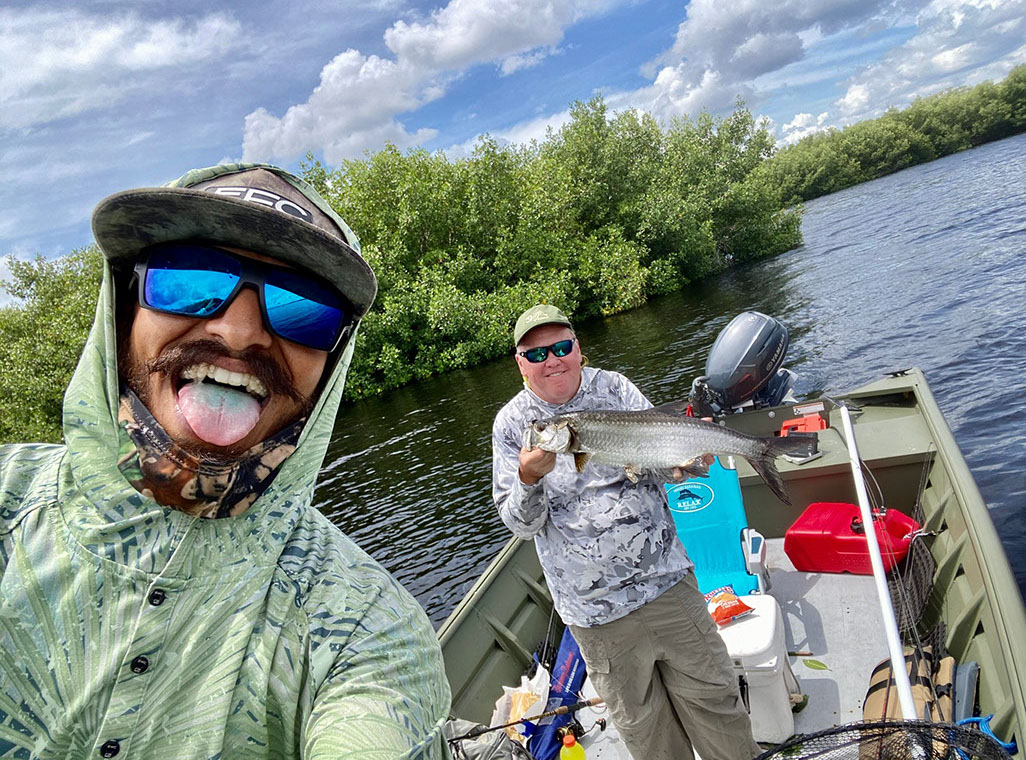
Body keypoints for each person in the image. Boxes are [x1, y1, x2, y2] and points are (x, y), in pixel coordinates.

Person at [0, 164, 451, 759]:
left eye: (303, 307)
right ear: (124, 309)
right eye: (189, 276)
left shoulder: (369, 629)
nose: (238, 333)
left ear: (331, 364)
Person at [491, 304, 761, 760]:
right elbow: (521, 524)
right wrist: (529, 478)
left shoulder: (614, 388)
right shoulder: (513, 426)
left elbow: (661, 465)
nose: (552, 360)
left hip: (667, 585)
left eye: (561, 347)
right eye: (537, 354)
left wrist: (686, 462)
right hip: (596, 616)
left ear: (578, 348)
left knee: (720, 710)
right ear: (521, 363)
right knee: (648, 737)